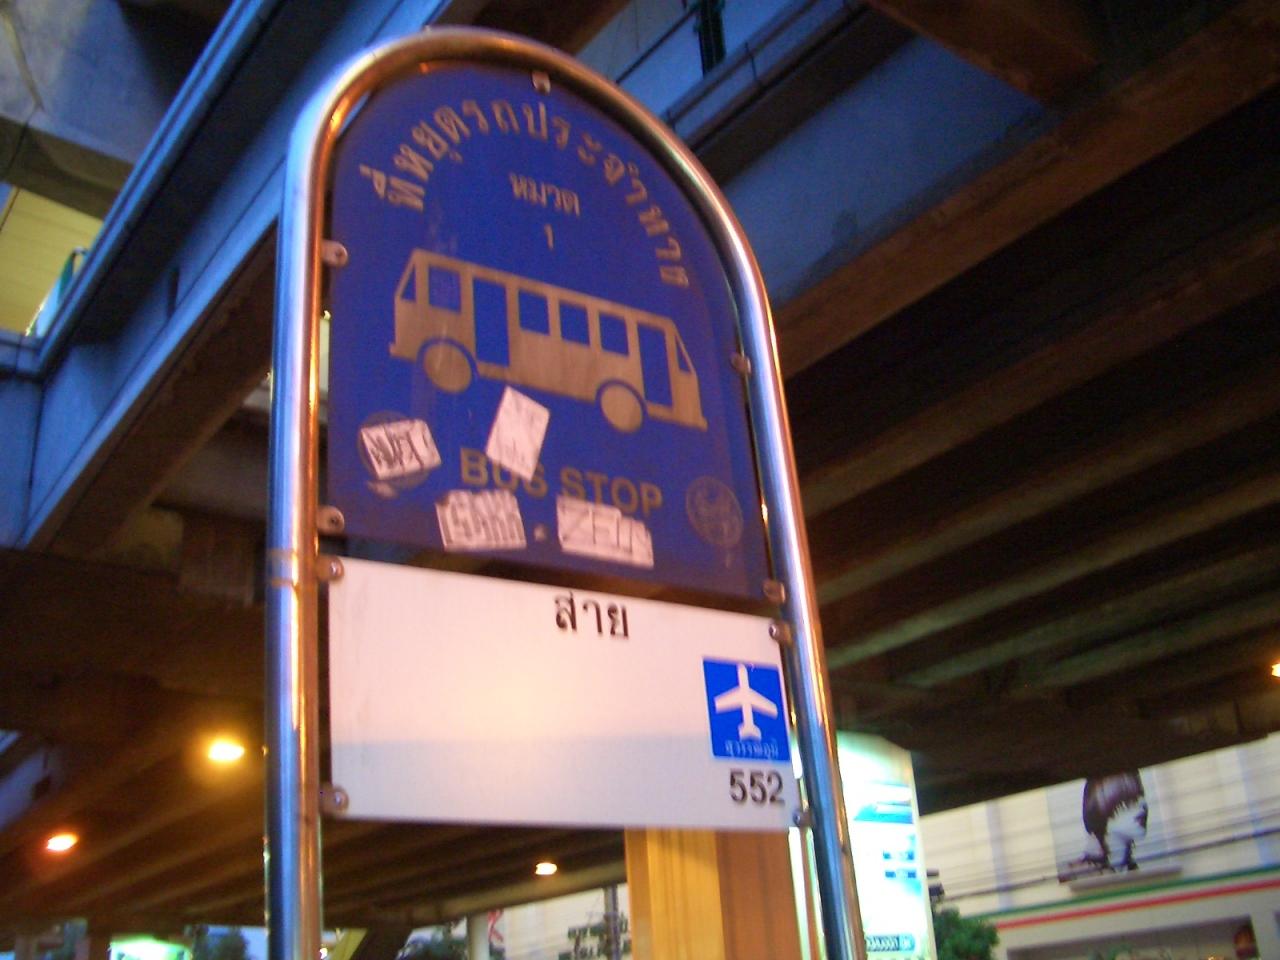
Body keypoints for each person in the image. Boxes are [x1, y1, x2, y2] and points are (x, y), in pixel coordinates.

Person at [1080, 771, 1148, 871]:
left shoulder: (1134, 871)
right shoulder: (1082, 874)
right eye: (1130, 800)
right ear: (1100, 810)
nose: (1143, 804)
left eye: (1141, 796)